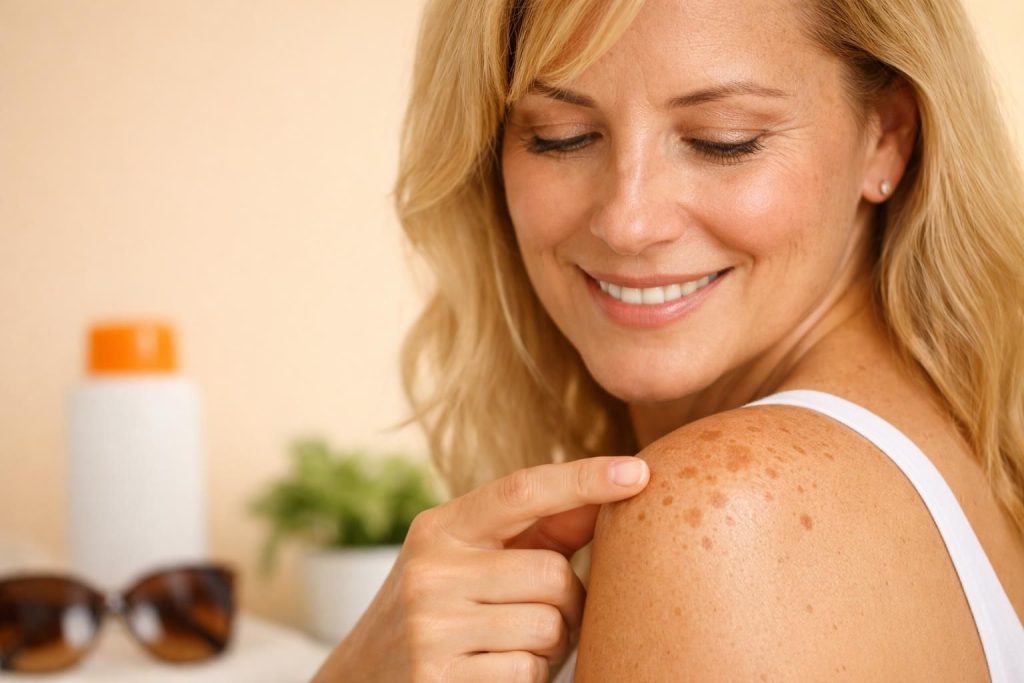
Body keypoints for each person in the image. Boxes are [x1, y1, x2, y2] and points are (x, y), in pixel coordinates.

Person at [313, 0, 1024, 680]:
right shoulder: (959, 430)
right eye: (561, 135)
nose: (628, 220)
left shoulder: (719, 514)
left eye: (723, 140)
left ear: (887, 135)